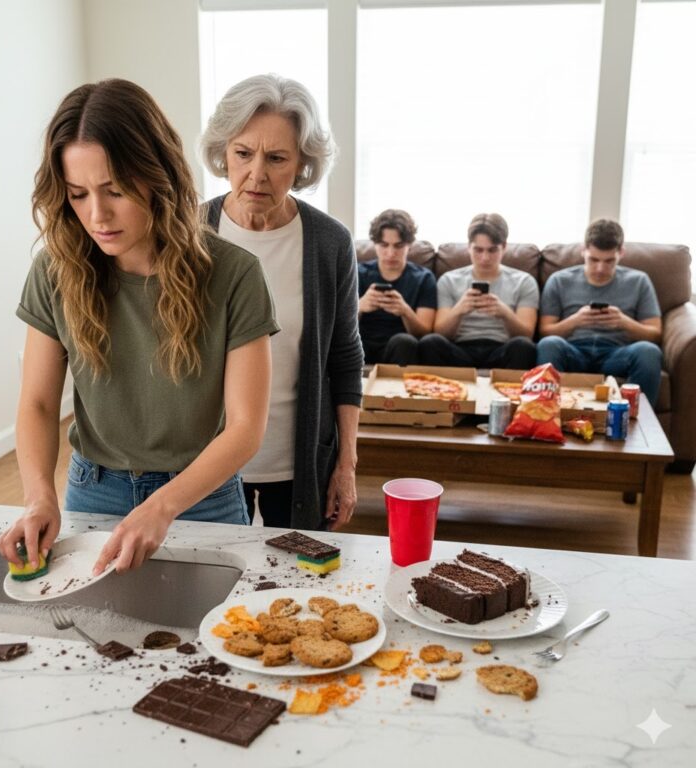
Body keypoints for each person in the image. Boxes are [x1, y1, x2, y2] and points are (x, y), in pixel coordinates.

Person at [0, 79, 278, 576]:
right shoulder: (54, 270)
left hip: (203, 497)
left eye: (115, 191)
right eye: (78, 195)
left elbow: (244, 429)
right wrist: (39, 496)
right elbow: (38, 403)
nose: (96, 215)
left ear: (157, 177)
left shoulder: (234, 274)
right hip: (92, 491)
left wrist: (163, 505)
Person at [200, 74, 364, 532]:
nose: (257, 174)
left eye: (276, 158)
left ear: (302, 164)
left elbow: (345, 358)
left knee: (293, 592)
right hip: (204, 465)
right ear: (223, 152)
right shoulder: (187, 234)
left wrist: (346, 465)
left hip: (298, 465)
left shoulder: (329, 242)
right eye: (243, 153)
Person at [537, 219, 662, 405]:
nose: (600, 268)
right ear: (583, 251)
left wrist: (624, 322)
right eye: (593, 260)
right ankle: (547, 413)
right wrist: (576, 321)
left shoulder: (639, 281)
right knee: (549, 344)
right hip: (574, 351)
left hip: (617, 353)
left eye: (609, 261)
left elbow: (655, 333)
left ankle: (638, 423)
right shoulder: (560, 280)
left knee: (648, 351)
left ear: (621, 253)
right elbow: (544, 331)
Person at [419, 213, 538, 369]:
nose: (485, 258)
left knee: (524, 346)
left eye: (492, 250)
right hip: (460, 348)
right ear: (468, 247)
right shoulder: (449, 280)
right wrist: (459, 310)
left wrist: (505, 313)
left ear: (504, 247)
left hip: (502, 348)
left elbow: (527, 335)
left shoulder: (524, 281)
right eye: (478, 250)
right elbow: (440, 332)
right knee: (430, 342)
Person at [357, 209, 436, 365]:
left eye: (398, 246)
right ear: (375, 244)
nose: (391, 253)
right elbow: (336, 326)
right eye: (384, 245)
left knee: (404, 342)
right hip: (362, 343)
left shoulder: (423, 278)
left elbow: (424, 332)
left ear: (409, 245)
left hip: (399, 346)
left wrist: (405, 311)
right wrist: (359, 307)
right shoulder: (358, 273)